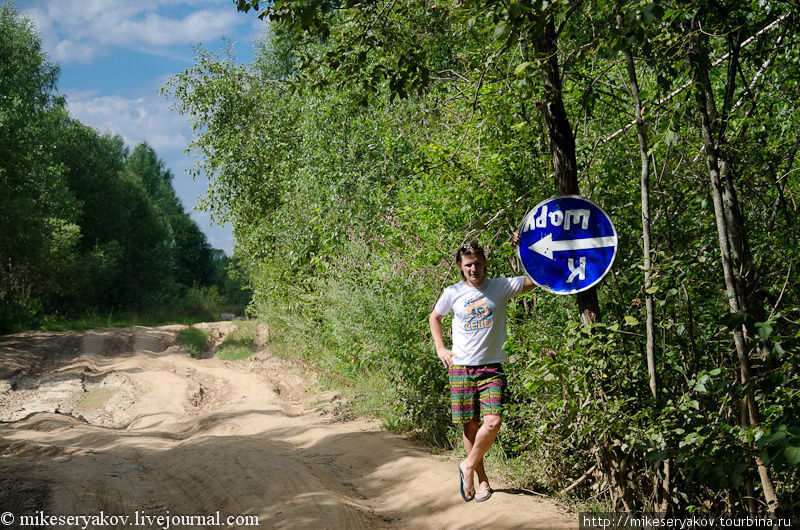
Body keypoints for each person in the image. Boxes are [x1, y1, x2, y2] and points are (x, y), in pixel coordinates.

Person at [429, 240, 533, 503]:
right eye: (468, 265)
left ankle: (467, 465)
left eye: (477, 263)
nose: (473, 269)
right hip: (461, 367)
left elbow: (537, 281)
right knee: (470, 426)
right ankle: (482, 480)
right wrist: (441, 348)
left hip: (491, 367)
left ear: (484, 262)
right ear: (460, 267)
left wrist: (557, 261)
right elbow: (435, 317)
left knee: (493, 422)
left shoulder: (500, 286)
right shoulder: (452, 292)